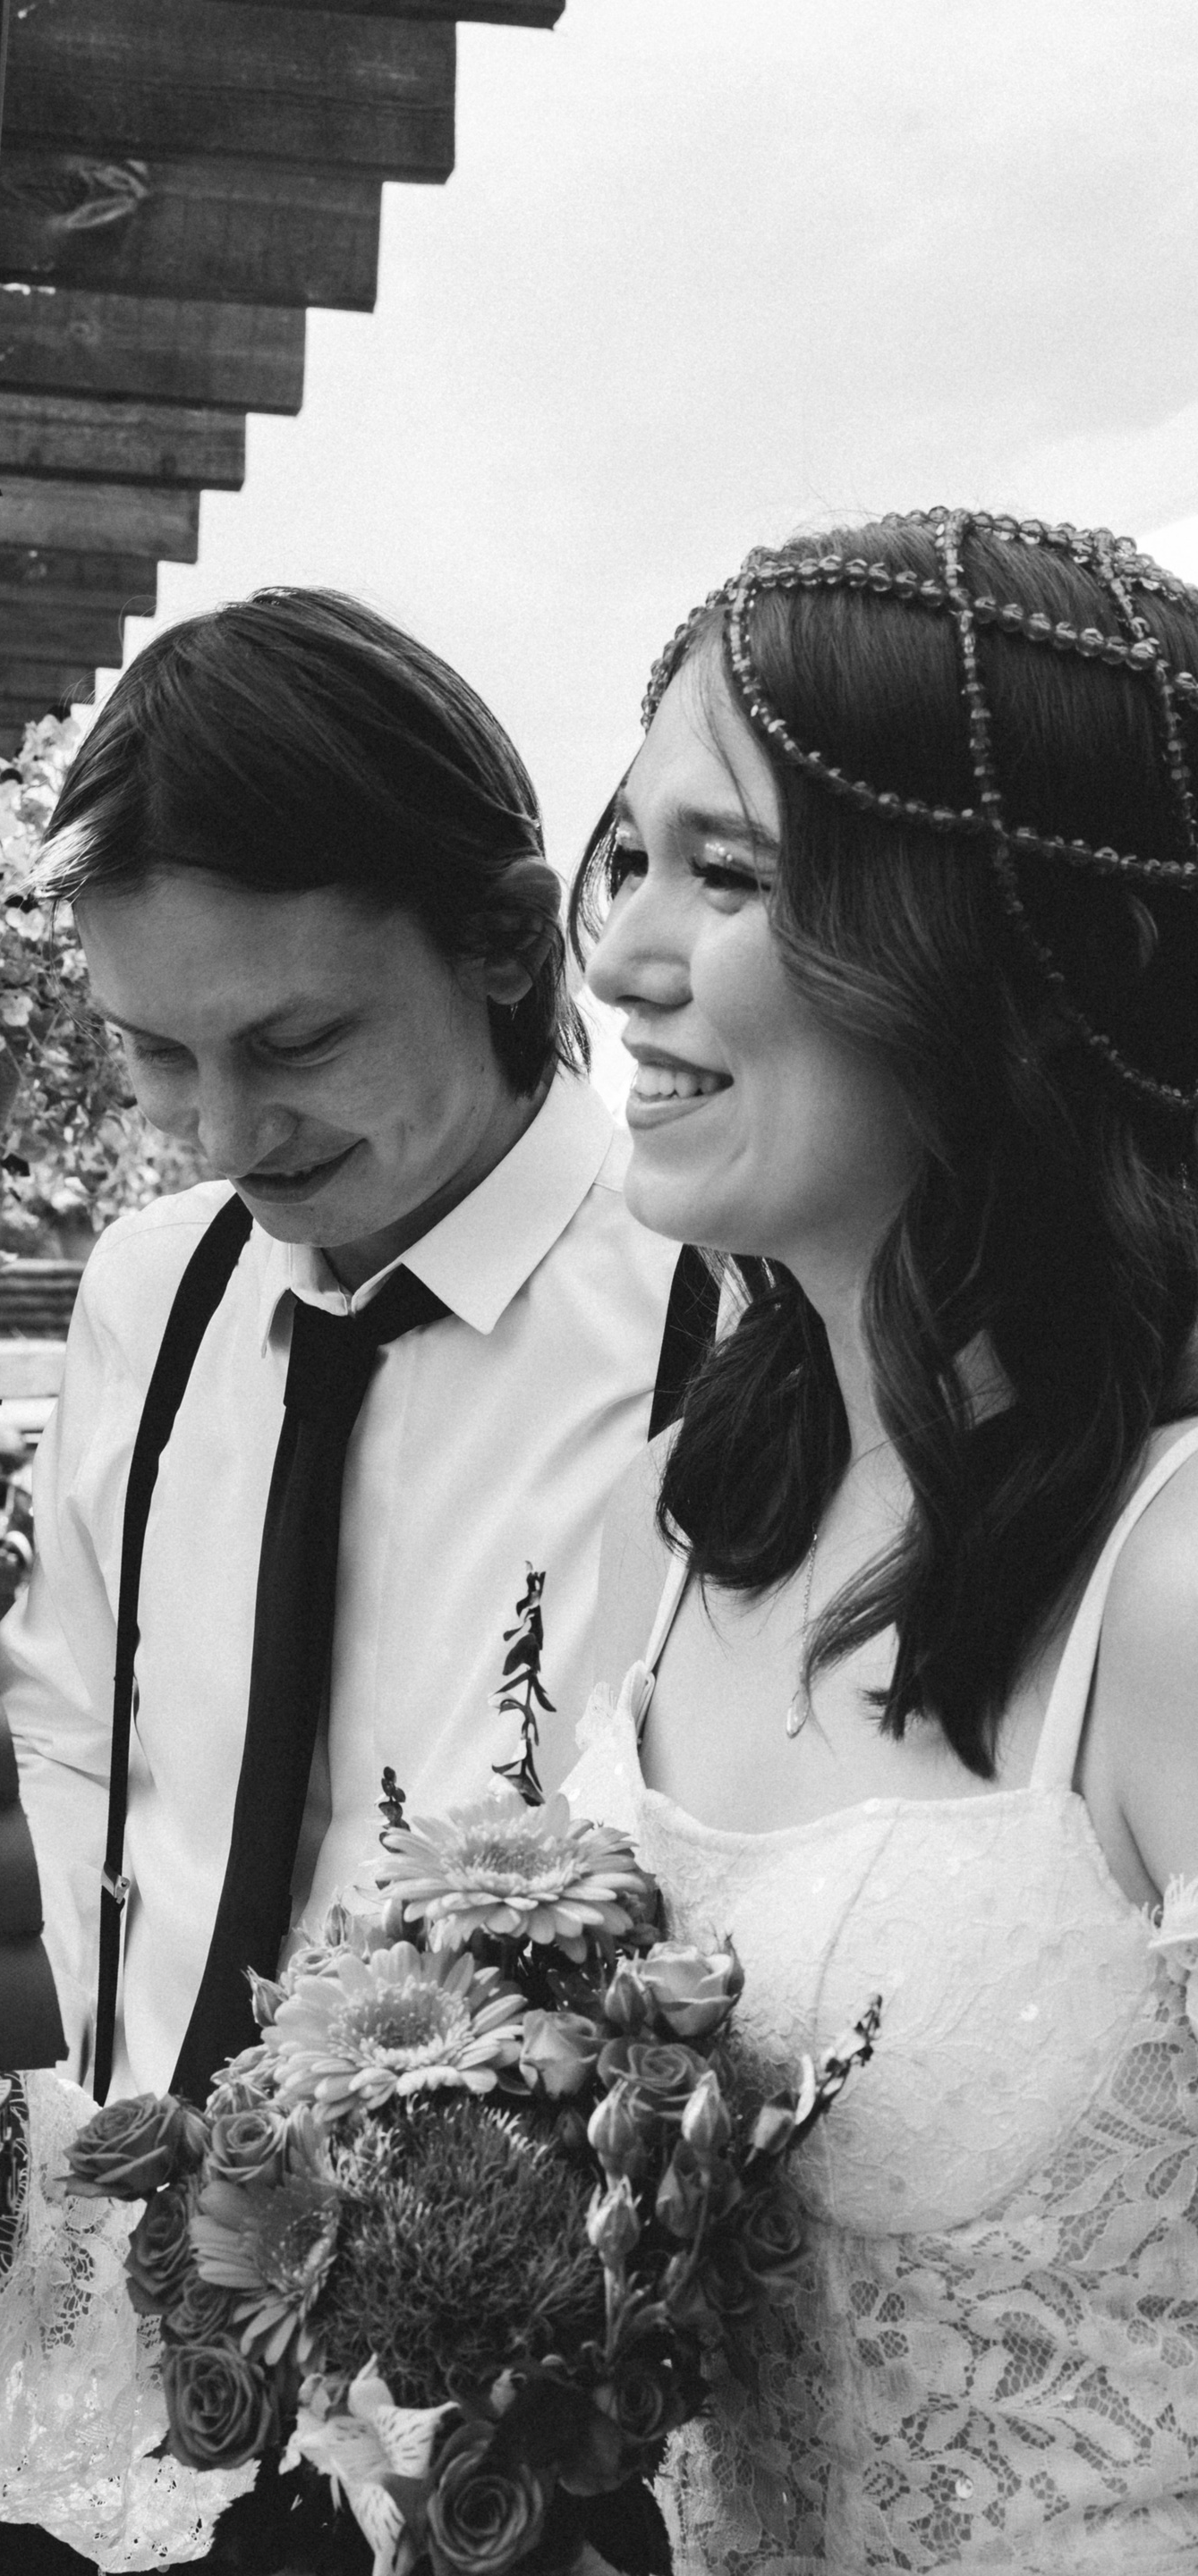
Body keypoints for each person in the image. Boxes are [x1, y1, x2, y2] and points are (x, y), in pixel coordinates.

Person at [0, 588, 681, 2570]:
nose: (225, 1137)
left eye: (297, 1042)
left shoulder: (720, 1325)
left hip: (496, 2440)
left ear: (512, 941)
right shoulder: (151, 1293)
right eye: (157, 1056)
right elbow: (79, 1739)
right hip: (115, 2365)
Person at [564, 509, 1198, 2572]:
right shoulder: (676, 1519)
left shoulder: (1172, 1585)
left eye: (731, 874)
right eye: (632, 855)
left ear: (1019, 955)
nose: (625, 956)